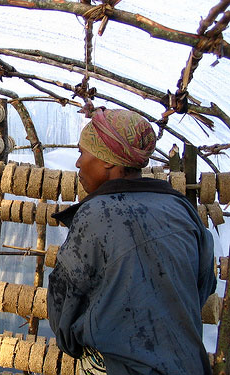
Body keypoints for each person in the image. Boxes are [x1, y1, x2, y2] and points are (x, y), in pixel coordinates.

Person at [47, 107, 216, 375]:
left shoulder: (96, 214)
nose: (78, 163)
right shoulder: (181, 207)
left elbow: (64, 302)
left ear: (107, 161)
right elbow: (204, 283)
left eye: (82, 152)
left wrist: (82, 343)